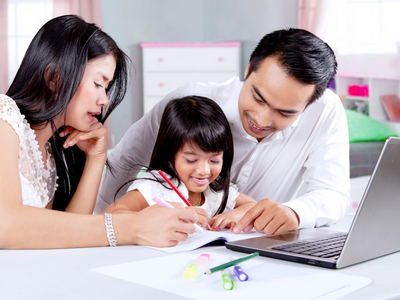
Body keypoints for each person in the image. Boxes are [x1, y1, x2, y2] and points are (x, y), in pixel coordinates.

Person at [96, 28, 350, 236]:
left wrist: (295, 212)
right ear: (248, 69)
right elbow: (125, 161)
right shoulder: (189, 103)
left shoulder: (325, 111)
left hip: (254, 249)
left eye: (285, 113)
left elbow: (334, 193)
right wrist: (102, 232)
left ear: (308, 104)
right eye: (258, 98)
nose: (261, 120)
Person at [0, 15, 198, 249]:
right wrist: (130, 227)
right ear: (54, 78)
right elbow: (6, 225)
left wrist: (96, 159)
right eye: (97, 84)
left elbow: (68, 234)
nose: (104, 100)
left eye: (106, 87)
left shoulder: (50, 155)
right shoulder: (4, 114)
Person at [104, 95, 256, 230]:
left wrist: (234, 214)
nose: (204, 170)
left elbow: (253, 206)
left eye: (214, 160)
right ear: (170, 154)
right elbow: (110, 216)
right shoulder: (156, 186)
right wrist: (161, 217)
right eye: (191, 160)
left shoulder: (216, 190)